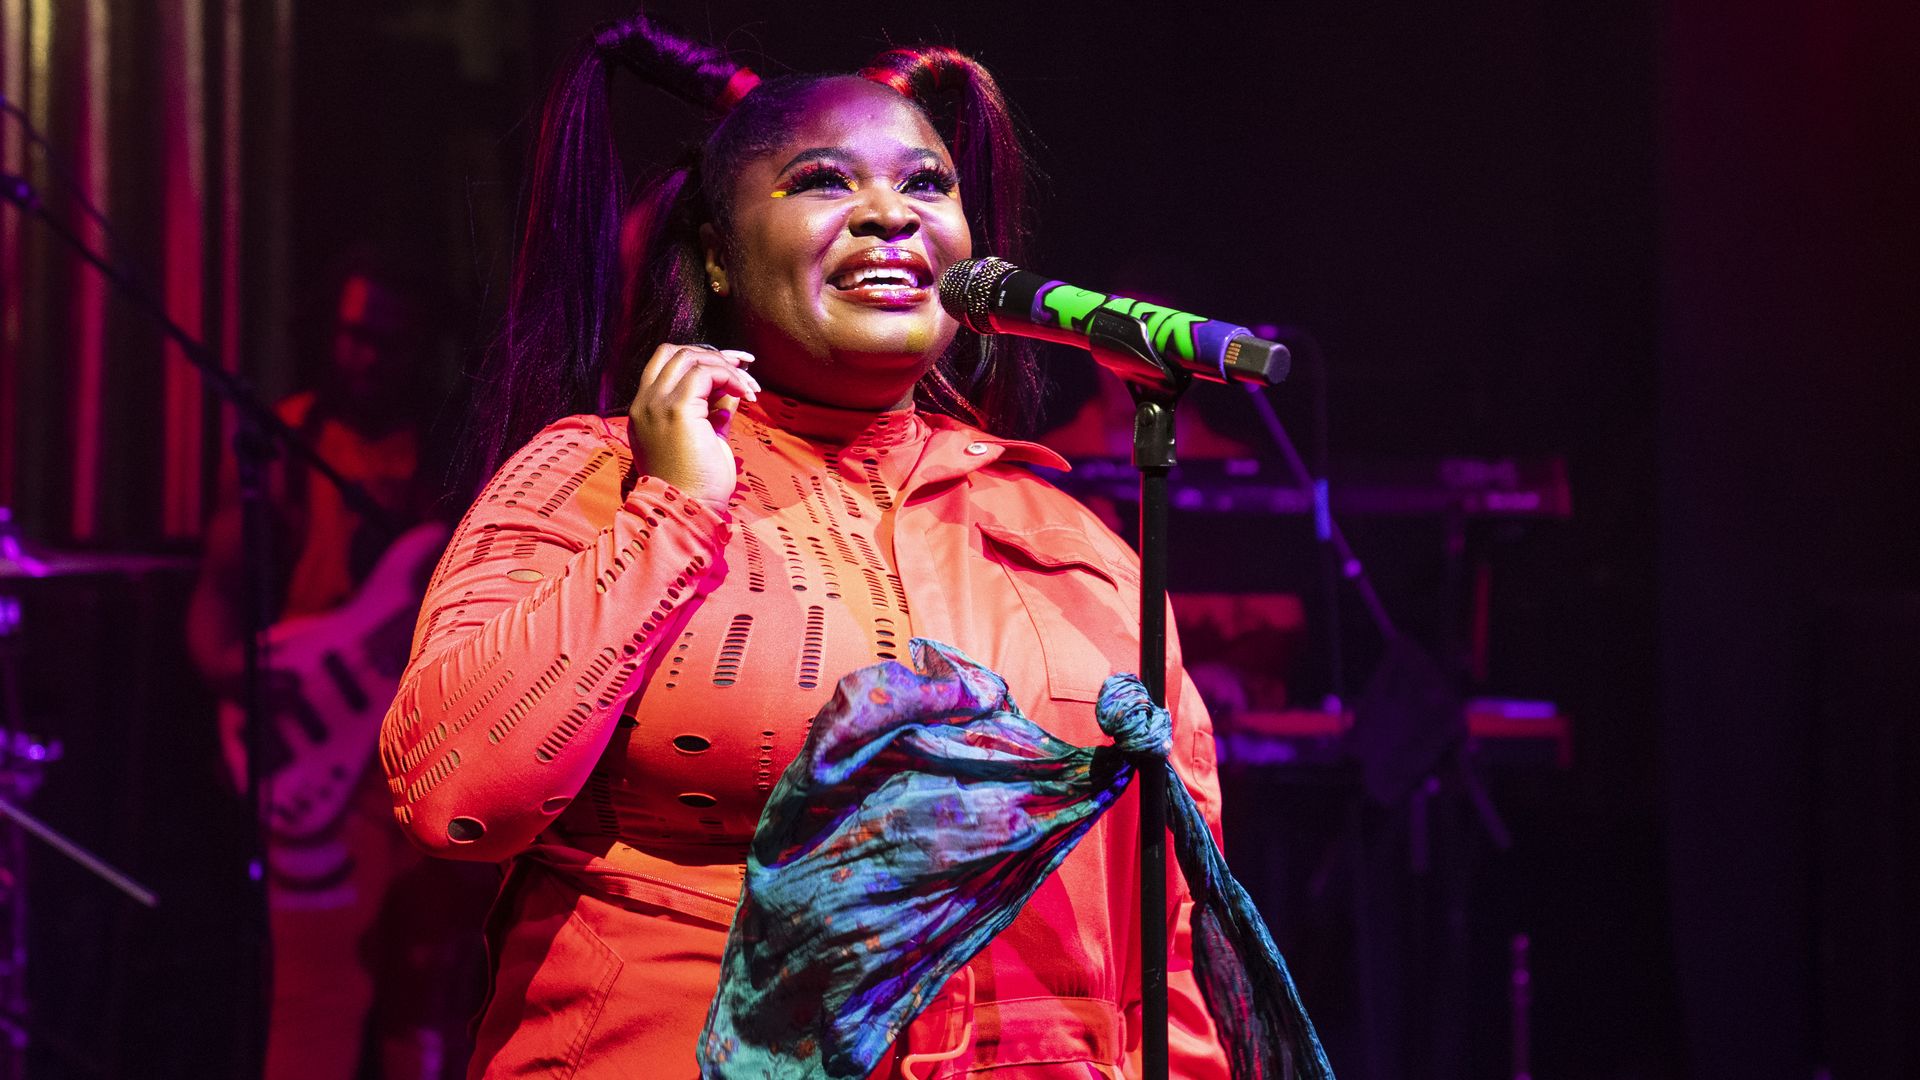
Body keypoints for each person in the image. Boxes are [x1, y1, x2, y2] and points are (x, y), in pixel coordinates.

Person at [379, 15, 1234, 1076]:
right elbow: (454, 797)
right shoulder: (594, 478)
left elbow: (1177, 929)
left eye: (927, 186)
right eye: (825, 182)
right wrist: (675, 513)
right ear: (716, 257)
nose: (890, 216)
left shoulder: (1070, 537)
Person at [187, 254, 488, 1080]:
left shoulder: (454, 455)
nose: (365, 357)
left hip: (426, 748)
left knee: (425, 979)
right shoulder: (286, 438)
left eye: (388, 342)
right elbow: (214, 597)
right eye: (353, 336)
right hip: (317, 763)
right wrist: (236, 682)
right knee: (312, 996)